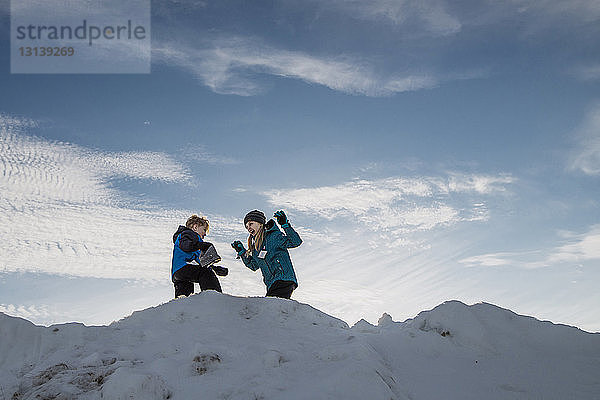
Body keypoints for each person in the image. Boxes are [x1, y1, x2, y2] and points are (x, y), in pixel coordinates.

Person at [231, 210, 301, 299]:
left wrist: (285, 225)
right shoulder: (256, 247)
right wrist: (242, 253)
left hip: (283, 278)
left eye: (251, 224)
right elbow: (253, 265)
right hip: (271, 284)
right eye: (247, 226)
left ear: (260, 223)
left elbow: (295, 242)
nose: (248, 228)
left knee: (270, 307)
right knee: (274, 308)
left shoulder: (274, 236)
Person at [171, 214, 228, 298]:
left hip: (179, 273)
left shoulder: (193, 244)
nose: (205, 234)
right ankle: (213, 298)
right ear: (195, 227)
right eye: (204, 230)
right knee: (206, 273)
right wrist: (201, 245)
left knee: (185, 297)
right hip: (183, 267)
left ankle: (182, 309)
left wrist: (215, 268)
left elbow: (200, 262)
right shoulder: (187, 234)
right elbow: (186, 245)